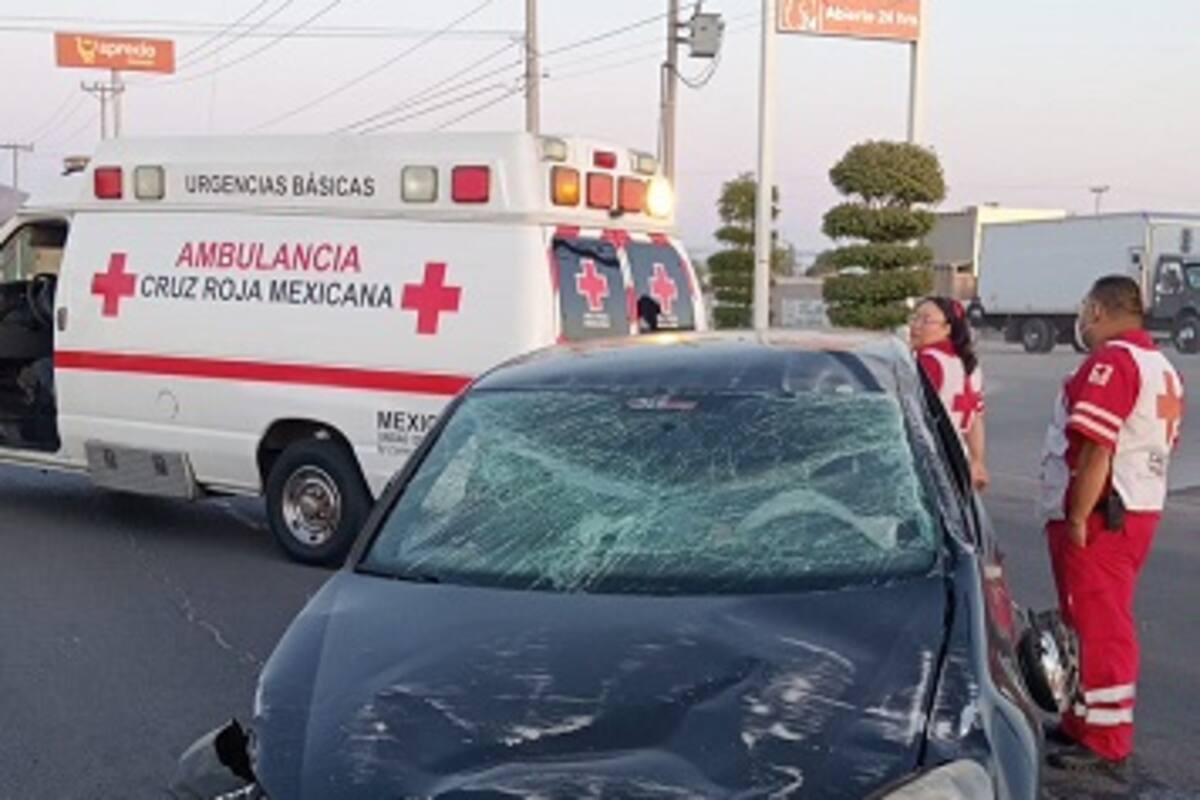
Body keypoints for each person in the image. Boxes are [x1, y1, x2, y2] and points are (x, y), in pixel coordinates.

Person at [1039, 275, 1184, 775]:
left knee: (1101, 623)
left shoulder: (1113, 361)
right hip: (1133, 507)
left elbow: (1099, 446)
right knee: (1084, 617)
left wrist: (1078, 514)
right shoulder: (1158, 365)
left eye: (1083, 310)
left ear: (1099, 310)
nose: (1081, 321)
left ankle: (1105, 737)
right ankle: (1083, 719)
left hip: (1104, 514)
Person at [909, 296, 989, 490]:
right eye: (915, 317)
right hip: (958, 456)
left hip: (929, 459)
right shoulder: (969, 365)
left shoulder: (928, 361)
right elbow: (976, 418)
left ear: (947, 328)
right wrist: (977, 462)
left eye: (926, 320)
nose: (916, 326)